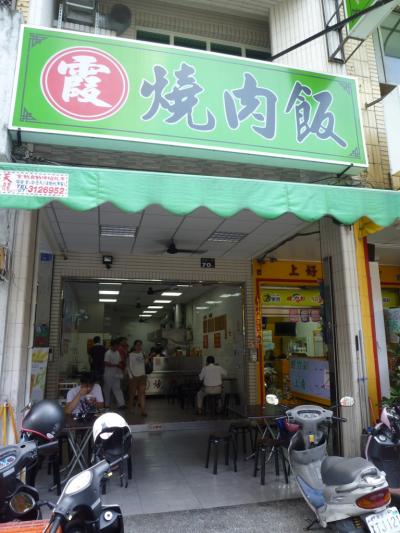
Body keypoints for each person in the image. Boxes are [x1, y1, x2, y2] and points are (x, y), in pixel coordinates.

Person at [127, 339, 151, 416]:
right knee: (132, 394)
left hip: (142, 376)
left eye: (140, 345)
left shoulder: (143, 353)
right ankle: (130, 407)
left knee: (142, 393)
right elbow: (129, 366)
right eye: (137, 345)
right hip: (134, 377)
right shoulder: (131, 355)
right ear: (134, 346)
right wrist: (130, 376)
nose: (139, 346)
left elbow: (145, 363)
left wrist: (147, 358)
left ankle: (143, 410)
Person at [103, 338, 125, 409]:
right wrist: (116, 365)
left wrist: (120, 366)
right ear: (112, 346)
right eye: (116, 346)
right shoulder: (108, 353)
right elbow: (106, 363)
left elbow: (119, 362)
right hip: (108, 374)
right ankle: (106, 404)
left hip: (116, 374)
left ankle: (121, 404)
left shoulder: (117, 352)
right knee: (107, 389)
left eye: (118, 346)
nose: (117, 347)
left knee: (117, 388)